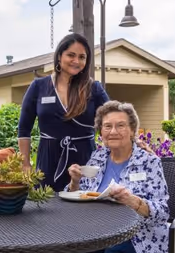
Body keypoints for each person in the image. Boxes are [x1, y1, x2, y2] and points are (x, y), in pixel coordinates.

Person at [64, 100, 170, 253]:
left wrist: (133, 201)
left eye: (121, 125)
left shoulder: (149, 163)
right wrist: (74, 182)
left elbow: (163, 212)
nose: (113, 131)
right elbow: (79, 195)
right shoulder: (98, 158)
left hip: (138, 240)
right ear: (100, 132)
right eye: (107, 126)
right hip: (96, 235)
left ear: (132, 130)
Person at [18, 33, 110, 193]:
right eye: (71, 55)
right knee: (47, 209)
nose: (77, 61)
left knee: (84, 209)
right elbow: (24, 129)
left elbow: (113, 119)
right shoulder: (39, 86)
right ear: (59, 56)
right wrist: (25, 164)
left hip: (84, 160)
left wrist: (133, 143)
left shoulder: (93, 88)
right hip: (48, 159)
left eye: (82, 57)